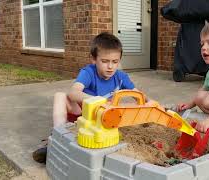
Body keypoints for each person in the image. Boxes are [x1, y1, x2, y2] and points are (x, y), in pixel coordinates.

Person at [32, 32, 137, 163]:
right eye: (104, 61)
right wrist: (98, 101)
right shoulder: (88, 72)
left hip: (103, 119)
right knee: (60, 96)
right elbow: (73, 92)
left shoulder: (121, 77)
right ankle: (58, 136)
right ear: (93, 59)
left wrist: (152, 103)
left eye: (115, 62)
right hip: (82, 115)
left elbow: (137, 94)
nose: (110, 67)